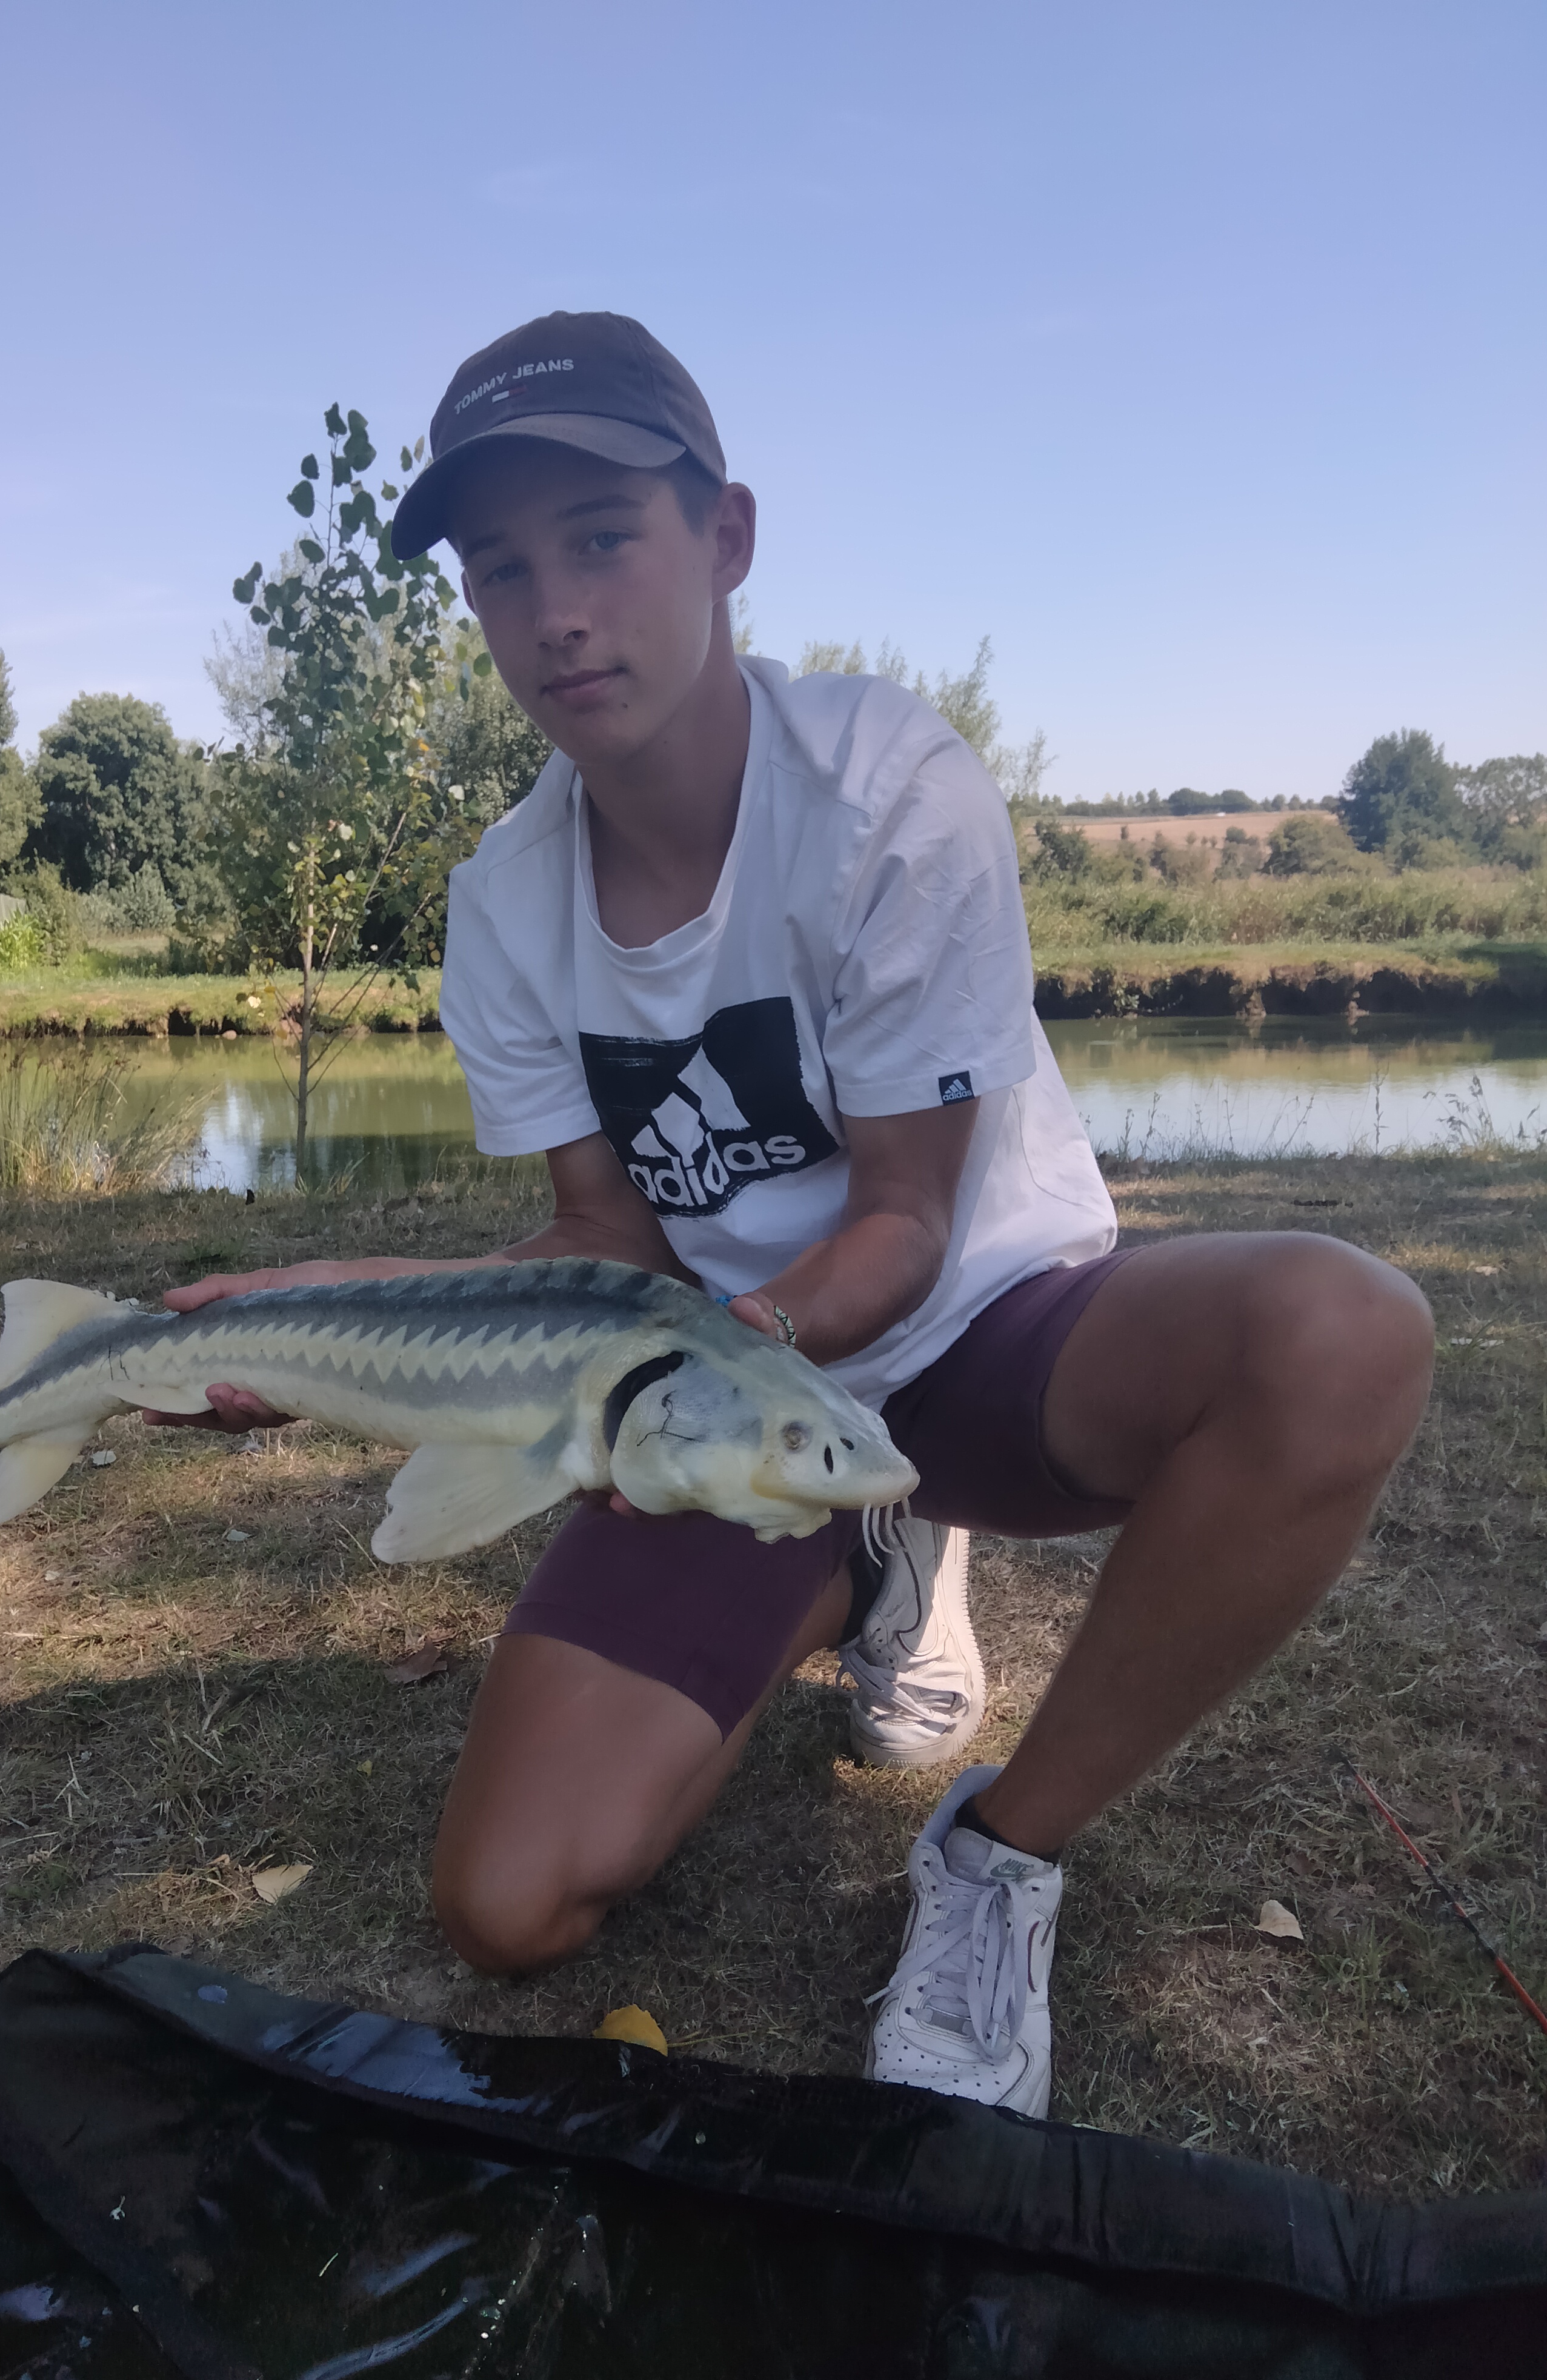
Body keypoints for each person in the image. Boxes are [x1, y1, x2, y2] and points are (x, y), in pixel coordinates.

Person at [150, 313, 1433, 2115]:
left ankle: (1002, 1852)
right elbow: (602, 1245)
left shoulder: (890, 792)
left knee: (1342, 1333)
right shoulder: (502, 903)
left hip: (986, 1332)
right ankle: (862, 1549)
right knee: (509, 1905)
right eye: (501, 570)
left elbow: (904, 1222)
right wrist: (330, 1310)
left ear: (727, 539)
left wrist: (724, 1378)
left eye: (604, 538)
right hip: (723, 1409)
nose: (555, 613)